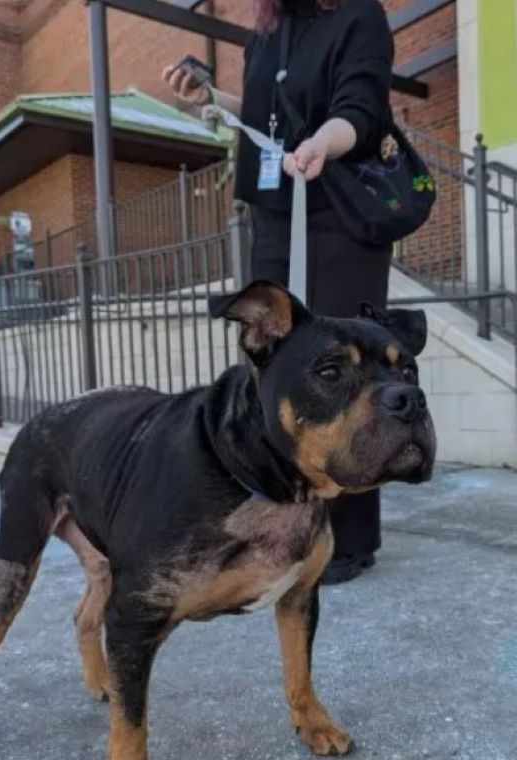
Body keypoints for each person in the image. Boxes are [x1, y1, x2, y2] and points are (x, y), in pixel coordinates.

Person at [162, 0, 394, 584]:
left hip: (337, 214)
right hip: (275, 213)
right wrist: (211, 101)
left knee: (347, 369)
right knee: (277, 366)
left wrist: (324, 143)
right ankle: (288, 517)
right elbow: (268, 116)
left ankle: (350, 537)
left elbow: (360, 109)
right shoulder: (267, 34)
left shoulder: (359, 16)